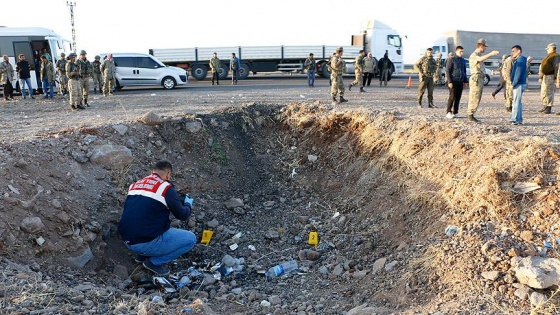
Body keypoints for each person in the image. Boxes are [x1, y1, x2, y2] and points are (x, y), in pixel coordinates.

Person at [118, 160, 196, 275]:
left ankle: (141, 257)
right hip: (144, 243)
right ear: (168, 174)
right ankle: (154, 263)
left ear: (152, 171)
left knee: (146, 219)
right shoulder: (166, 188)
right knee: (190, 239)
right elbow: (183, 215)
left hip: (127, 240)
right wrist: (188, 204)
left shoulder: (135, 185)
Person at [466, 38, 499, 122]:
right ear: (481, 46)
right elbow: (480, 59)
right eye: (485, 47)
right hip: (476, 79)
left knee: (477, 97)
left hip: (479, 78)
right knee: (474, 97)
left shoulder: (478, 55)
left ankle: (471, 114)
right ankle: (470, 114)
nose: (485, 49)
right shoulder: (474, 55)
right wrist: (491, 54)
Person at [444, 46, 468, 119]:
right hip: (453, 81)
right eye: (460, 51)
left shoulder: (463, 60)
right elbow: (448, 71)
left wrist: (465, 81)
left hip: (460, 81)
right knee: (452, 97)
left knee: (458, 97)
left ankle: (456, 112)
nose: (462, 53)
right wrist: (449, 81)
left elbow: (464, 71)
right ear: (456, 51)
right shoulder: (451, 59)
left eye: (462, 51)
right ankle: (448, 112)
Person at [538, 43, 560, 114]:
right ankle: (545, 105)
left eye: (548, 49)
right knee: (544, 91)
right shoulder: (548, 56)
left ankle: (548, 107)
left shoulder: (556, 56)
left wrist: (556, 77)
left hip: (551, 76)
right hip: (545, 76)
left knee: (549, 91)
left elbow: (557, 67)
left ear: (551, 48)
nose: (547, 50)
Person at [509, 45, 528, 125]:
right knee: (518, 102)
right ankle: (519, 119)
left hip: (519, 83)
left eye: (513, 51)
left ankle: (515, 119)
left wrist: (513, 84)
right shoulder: (520, 60)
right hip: (520, 83)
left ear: (519, 51)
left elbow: (518, 73)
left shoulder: (520, 60)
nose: (511, 53)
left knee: (516, 102)